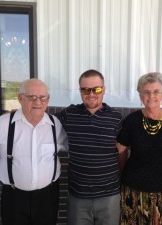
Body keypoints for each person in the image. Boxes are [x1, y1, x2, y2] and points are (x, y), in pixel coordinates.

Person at [0, 78, 68, 225]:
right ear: (20, 98)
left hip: (48, 198)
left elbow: (72, 146)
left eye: (42, 97)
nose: (38, 102)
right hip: (13, 199)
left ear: (48, 99)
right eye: (32, 97)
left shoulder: (55, 125)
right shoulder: (2, 125)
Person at [55, 69, 122, 225]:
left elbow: (122, 152)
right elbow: (44, 121)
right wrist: (20, 113)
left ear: (103, 90)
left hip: (109, 195)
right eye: (85, 89)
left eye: (96, 89)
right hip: (78, 195)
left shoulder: (116, 117)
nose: (91, 94)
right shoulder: (69, 114)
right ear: (80, 91)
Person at [116, 72, 162, 225]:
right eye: (146, 92)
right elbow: (121, 149)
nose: (151, 96)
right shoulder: (132, 120)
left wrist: (159, 159)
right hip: (133, 188)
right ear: (140, 95)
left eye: (156, 91)